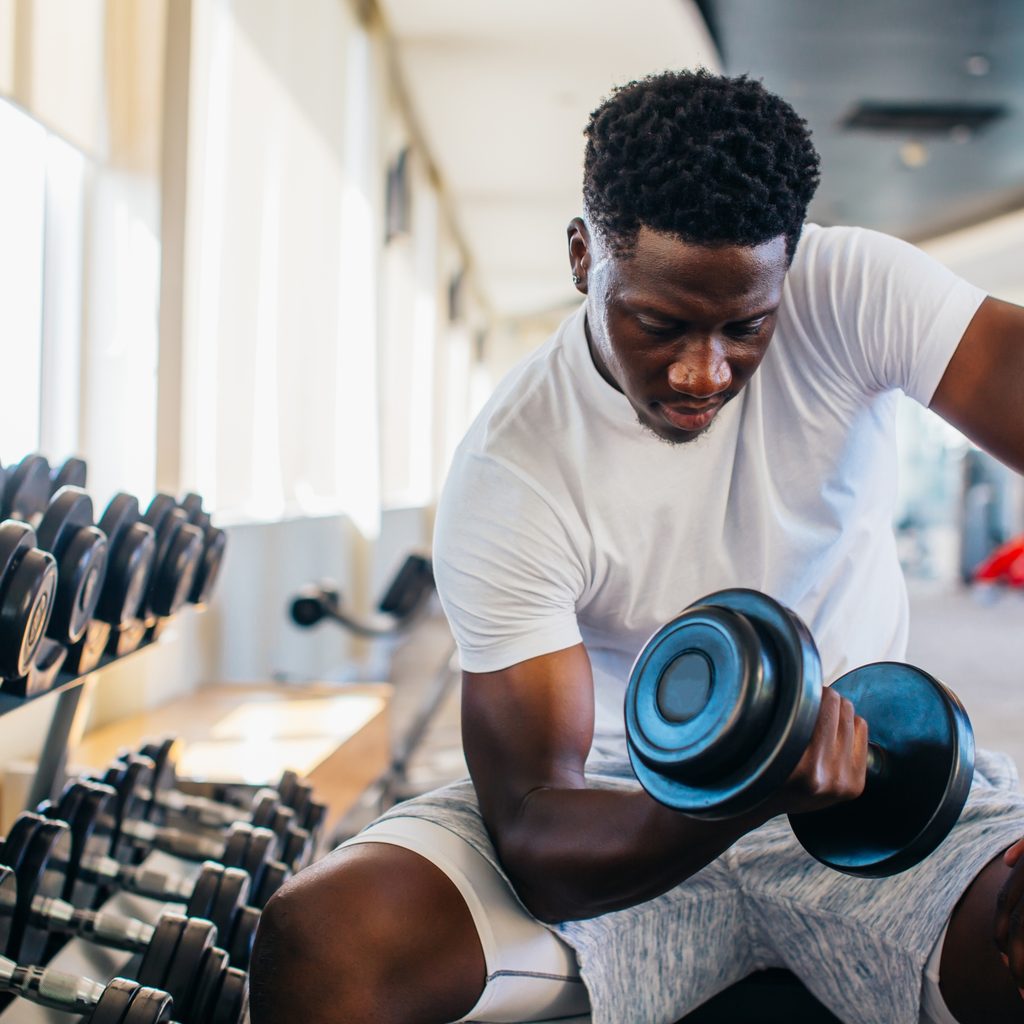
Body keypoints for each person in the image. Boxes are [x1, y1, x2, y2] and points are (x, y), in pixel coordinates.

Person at [249, 69, 1024, 1024]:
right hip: (620, 796)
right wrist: (748, 793)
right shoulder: (513, 469)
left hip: (867, 770)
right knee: (325, 939)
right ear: (584, 257)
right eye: (660, 323)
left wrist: (800, 777)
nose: (706, 371)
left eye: (748, 327)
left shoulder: (854, 288)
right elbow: (537, 831)